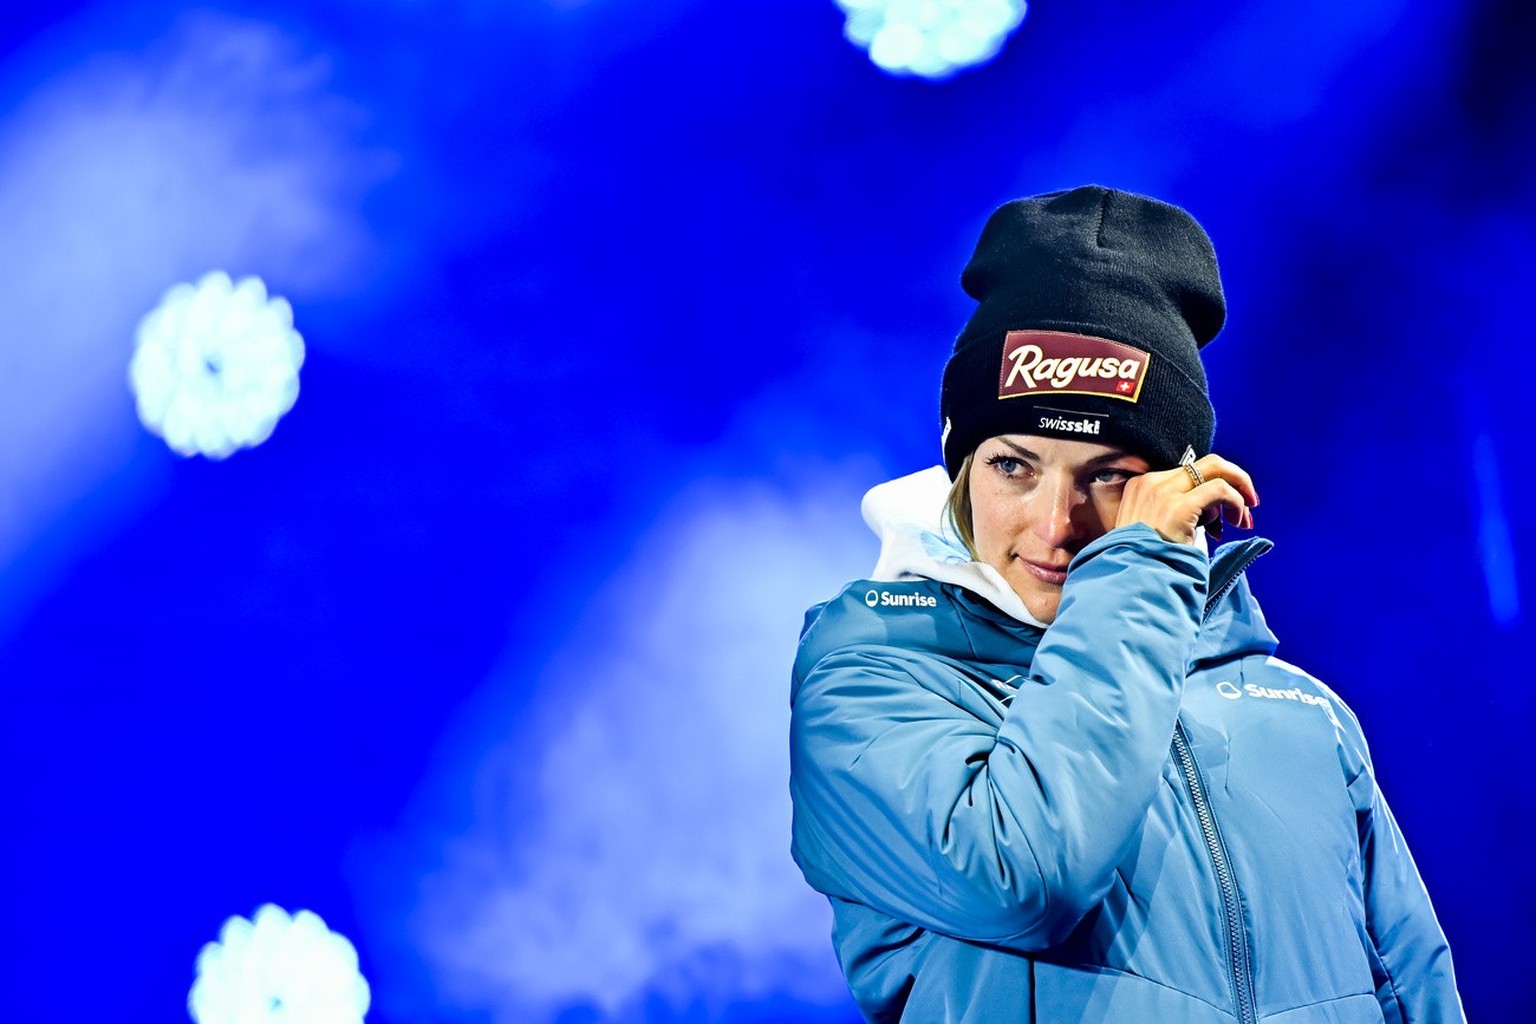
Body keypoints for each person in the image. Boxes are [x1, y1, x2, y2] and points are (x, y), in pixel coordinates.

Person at [787, 186, 1464, 1023]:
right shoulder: (866, 679)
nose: (1055, 524)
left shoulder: (1304, 716)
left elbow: (1415, 994)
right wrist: (1140, 568)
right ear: (959, 466)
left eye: (1108, 474)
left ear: (1179, 483)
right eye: (1013, 465)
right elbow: (1026, 877)